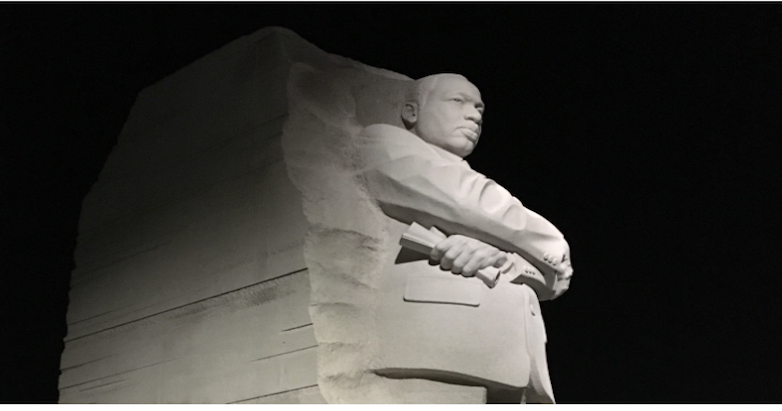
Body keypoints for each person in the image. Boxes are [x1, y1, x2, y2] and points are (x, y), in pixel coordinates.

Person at [355, 73, 573, 403]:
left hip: (511, 356)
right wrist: (552, 243)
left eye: (479, 108)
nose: (474, 115)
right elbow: (476, 204)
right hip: (438, 346)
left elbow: (555, 281)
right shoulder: (382, 142)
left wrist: (506, 258)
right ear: (412, 112)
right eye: (458, 102)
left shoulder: (464, 175)